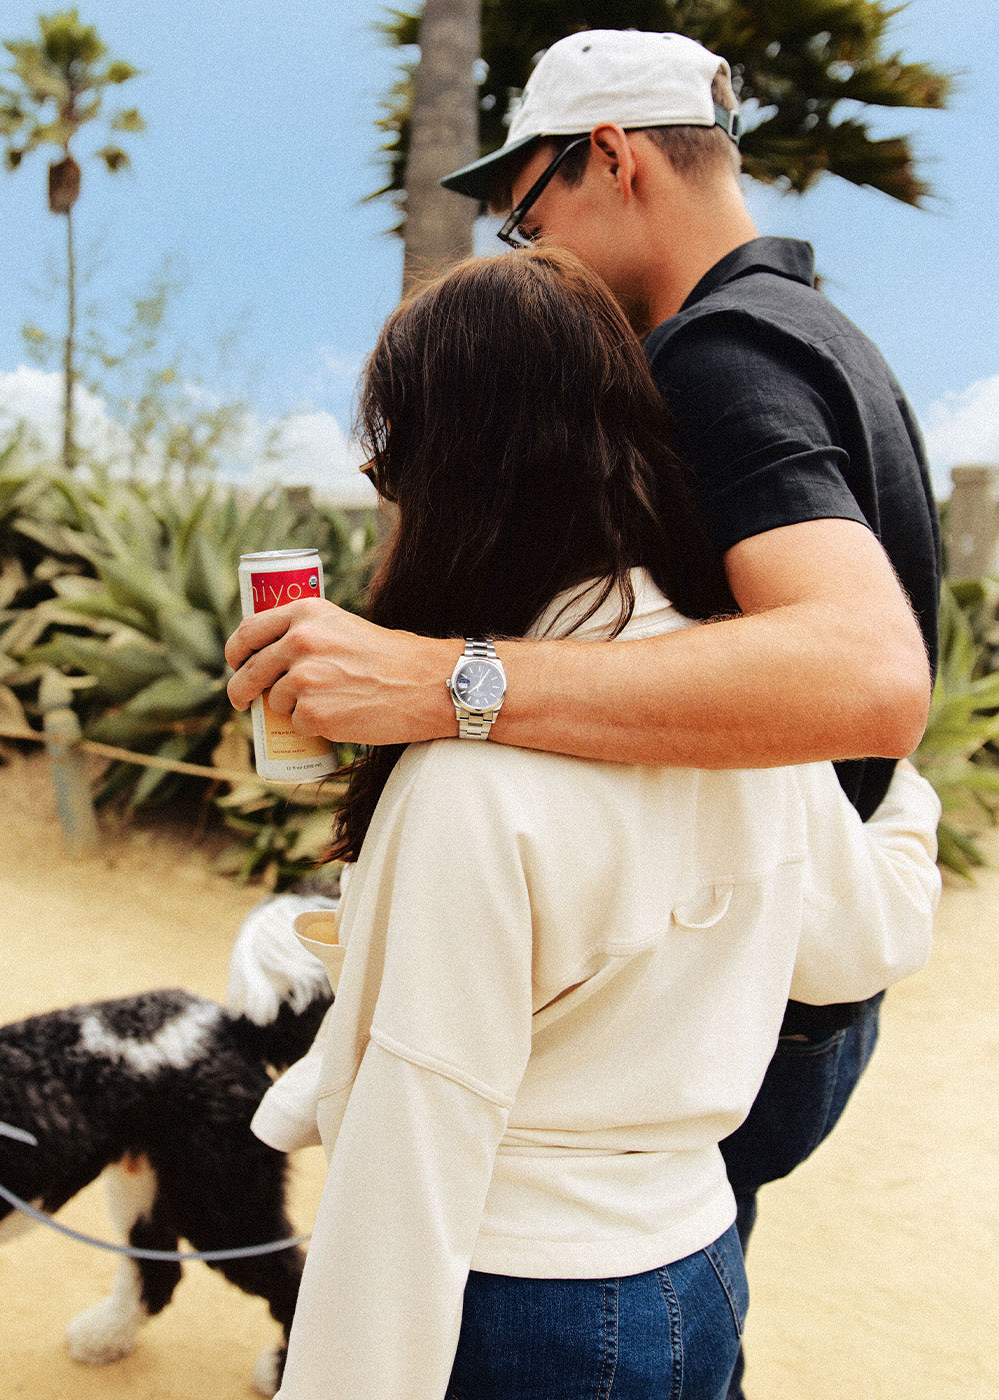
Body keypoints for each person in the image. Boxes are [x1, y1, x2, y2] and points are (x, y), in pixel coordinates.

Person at [226, 30, 942, 1395]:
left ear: (611, 155)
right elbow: (857, 877)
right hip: (693, 1225)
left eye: (527, 202)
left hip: (539, 1279)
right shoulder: (816, 352)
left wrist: (447, 685)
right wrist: (905, 810)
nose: (523, 232)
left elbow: (870, 677)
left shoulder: (725, 361)